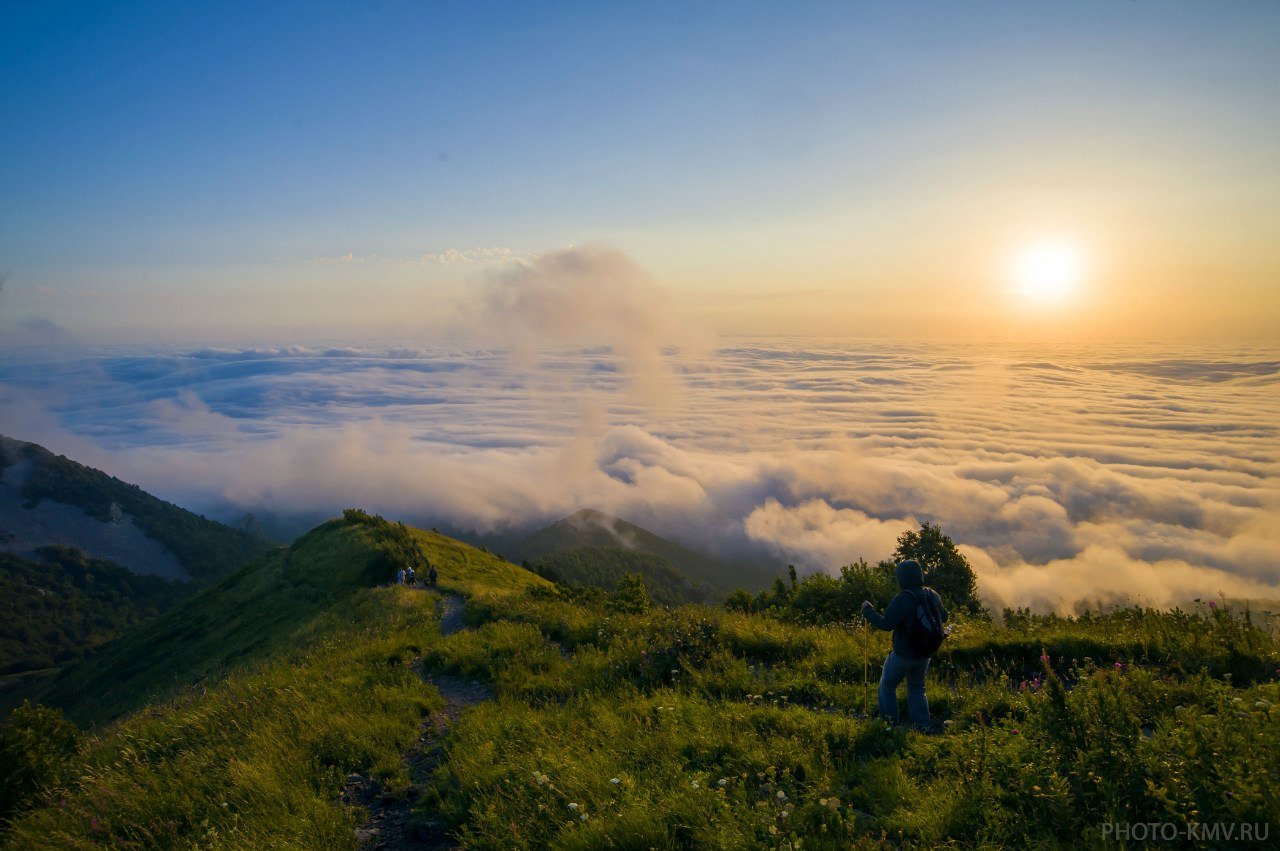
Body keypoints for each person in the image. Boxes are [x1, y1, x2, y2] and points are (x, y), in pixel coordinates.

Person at [861, 559, 947, 730]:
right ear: (920, 574)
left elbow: (886, 624)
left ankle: (891, 724)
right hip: (925, 654)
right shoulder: (932, 594)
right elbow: (944, 618)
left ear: (901, 578)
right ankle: (923, 725)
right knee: (917, 687)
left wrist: (868, 612)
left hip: (903, 654)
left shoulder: (903, 599)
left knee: (887, 685)